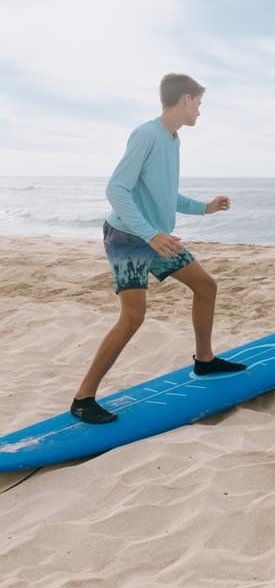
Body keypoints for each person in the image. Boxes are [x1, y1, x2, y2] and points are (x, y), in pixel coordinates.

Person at [71, 74, 245, 424]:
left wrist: (205, 207)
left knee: (205, 286)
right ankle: (83, 397)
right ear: (184, 99)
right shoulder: (146, 134)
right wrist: (150, 235)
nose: (199, 110)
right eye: (198, 103)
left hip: (154, 238)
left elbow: (165, 194)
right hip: (127, 237)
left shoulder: (172, 139)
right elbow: (116, 189)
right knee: (133, 316)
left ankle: (205, 360)